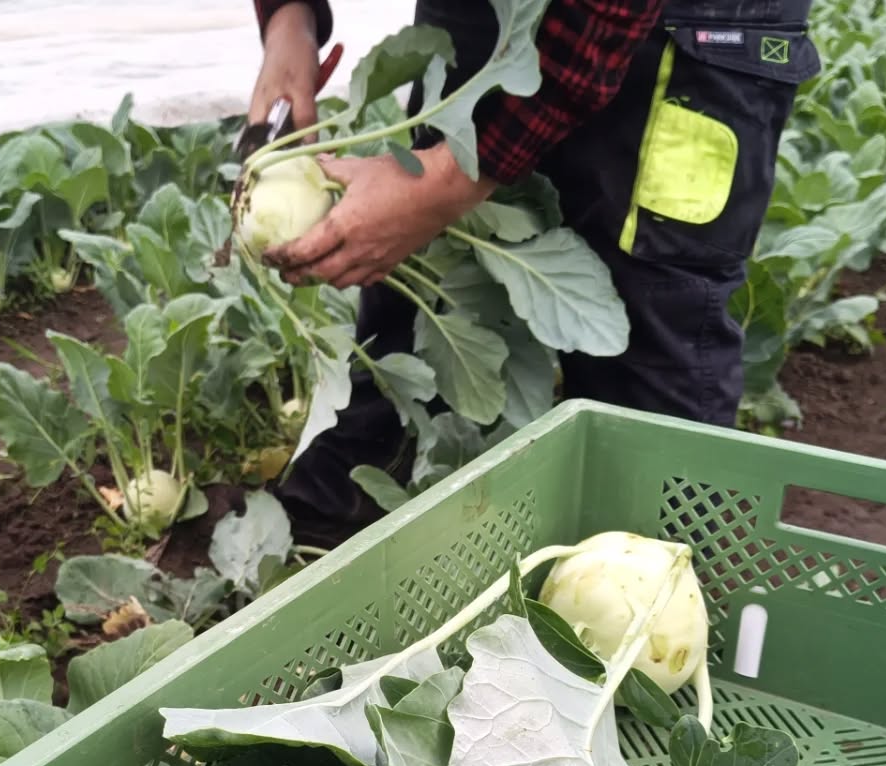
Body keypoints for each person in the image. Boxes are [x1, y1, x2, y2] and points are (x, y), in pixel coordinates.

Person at [246, 1, 819, 544]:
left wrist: (447, 182)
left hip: (675, 30)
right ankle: (338, 545)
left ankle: (655, 584)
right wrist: (289, 24)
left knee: (648, 392)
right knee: (432, 292)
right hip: (486, 19)